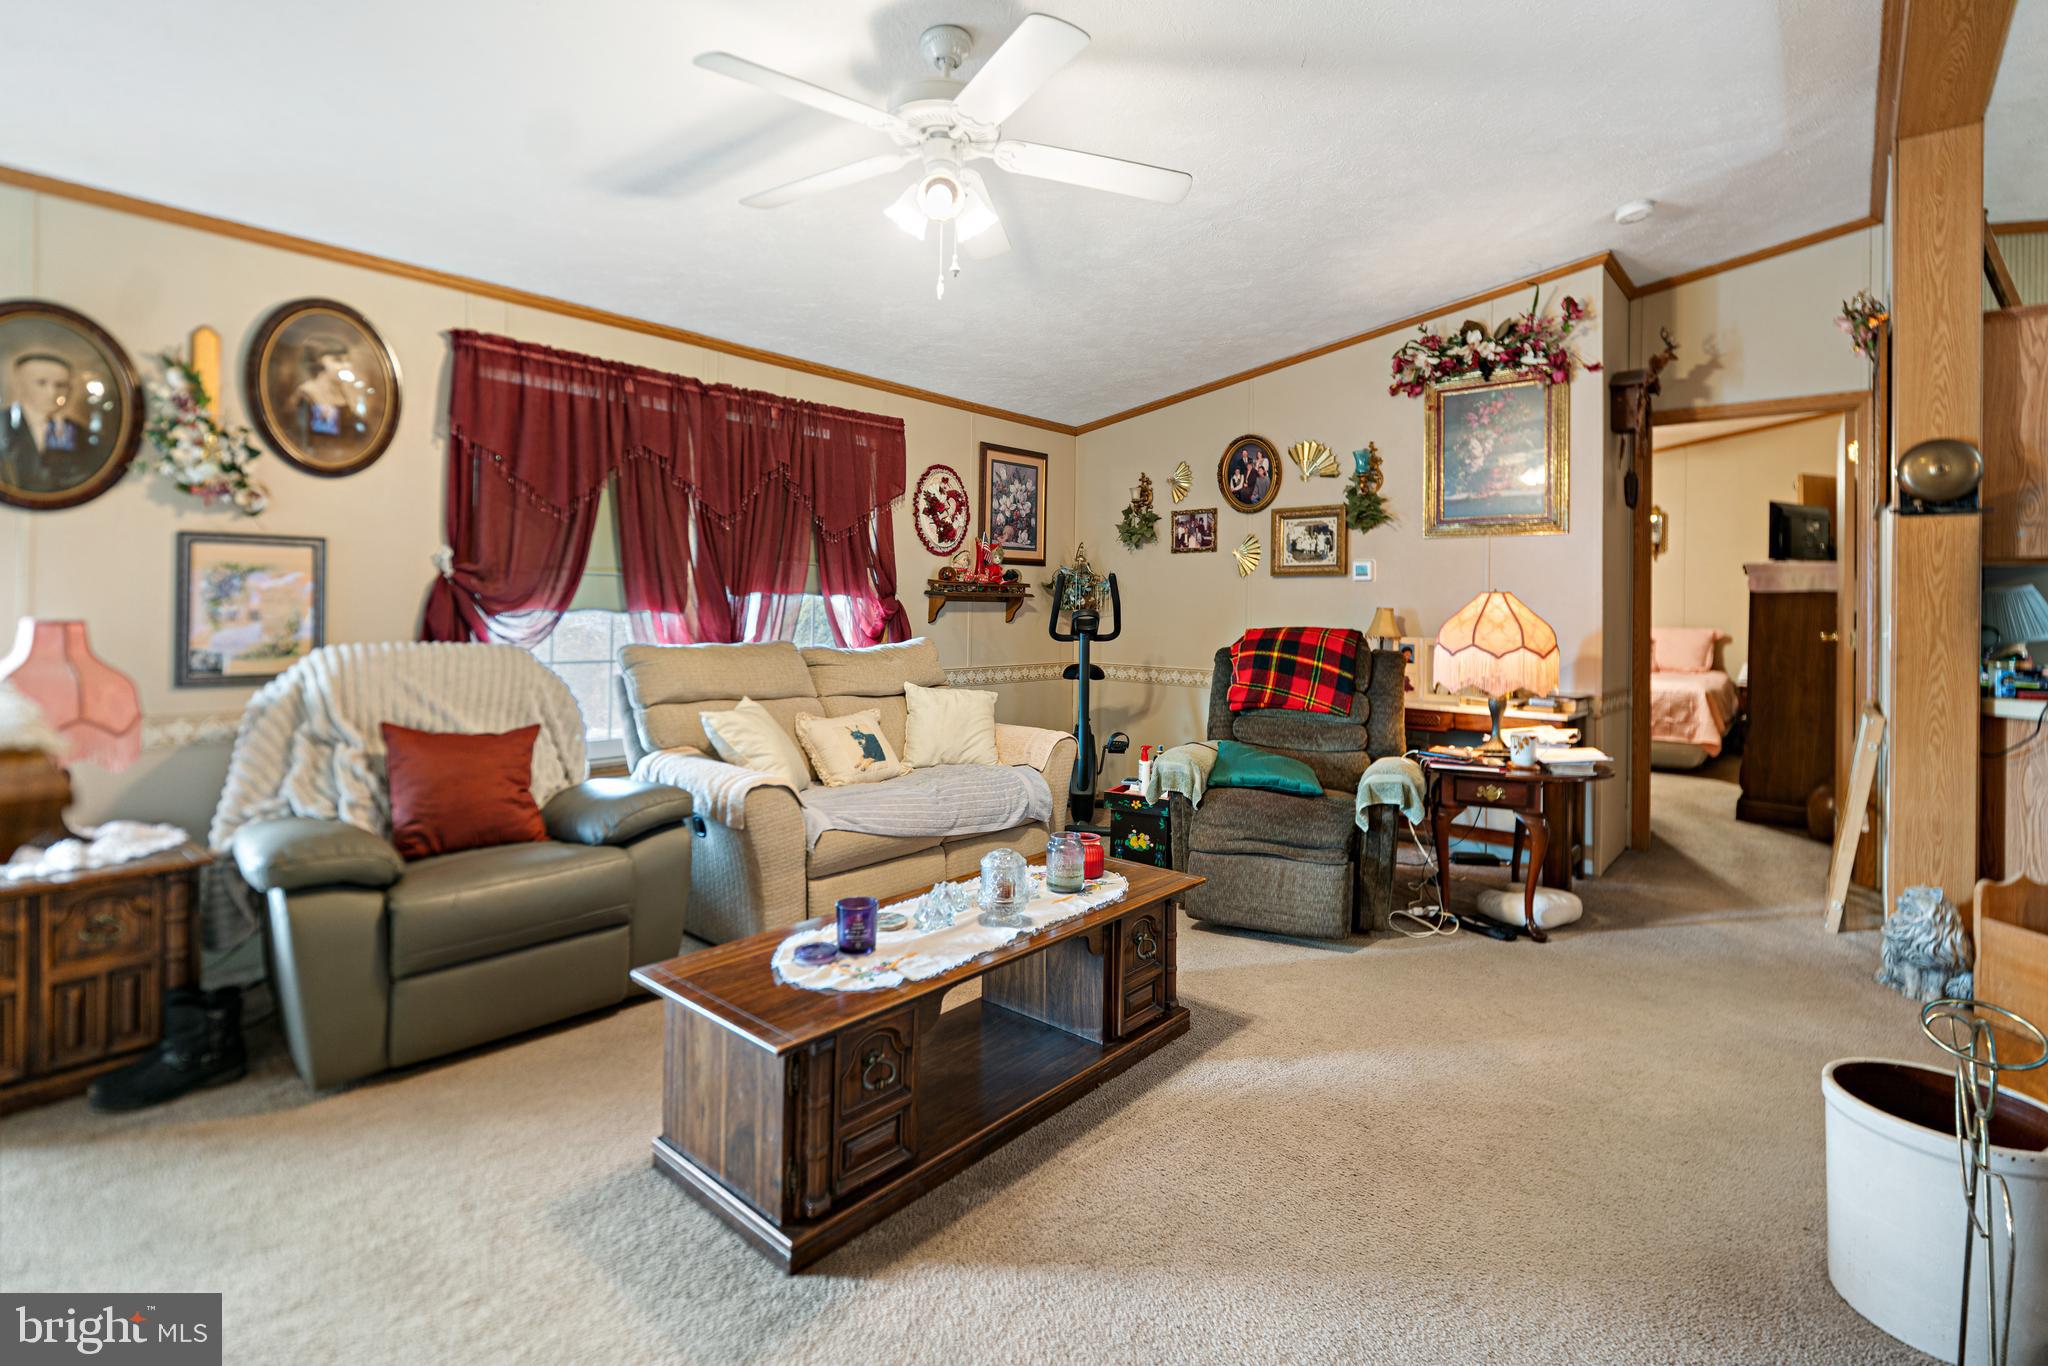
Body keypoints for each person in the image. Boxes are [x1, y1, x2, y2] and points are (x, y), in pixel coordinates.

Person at [1, 352, 93, 494]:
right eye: (41, 383)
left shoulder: (80, 433)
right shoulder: (3, 423)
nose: (52, 392)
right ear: (20, 385)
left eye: (60, 385)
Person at [289, 336, 357, 459]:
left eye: (348, 360)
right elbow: (319, 438)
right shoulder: (309, 392)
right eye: (338, 360)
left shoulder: (345, 392)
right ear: (320, 362)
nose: (346, 366)